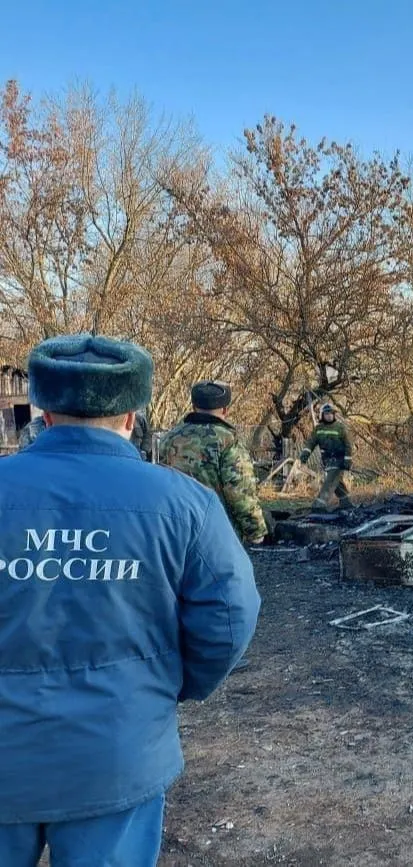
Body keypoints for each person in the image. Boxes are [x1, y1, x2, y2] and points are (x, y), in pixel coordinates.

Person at [0, 334, 260, 866]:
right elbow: (231, 616)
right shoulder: (185, 504)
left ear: (44, 412)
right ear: (132, 415)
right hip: (118, 749)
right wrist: (170, 685)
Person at [158, 380, 268, 546]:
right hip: (216, 534)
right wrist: (255, 531)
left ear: (194, 407)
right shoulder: (228, 441)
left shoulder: (169, 439)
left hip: (174, 530)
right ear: (225, 410)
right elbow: (239, 492)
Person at [298, 402, 354, 511]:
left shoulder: (340, 427)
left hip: (340, 460)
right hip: (327, 460)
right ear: (322, 415)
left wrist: (348, 460)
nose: (329, 416)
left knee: (330, 481)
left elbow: (348, 445)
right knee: (337, 483)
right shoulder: (318, 429)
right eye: (327, 414)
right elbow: (310, 444)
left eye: (331, 413)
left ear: (334, 415)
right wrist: (304, 456)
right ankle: (346, 503)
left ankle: (318, 505)